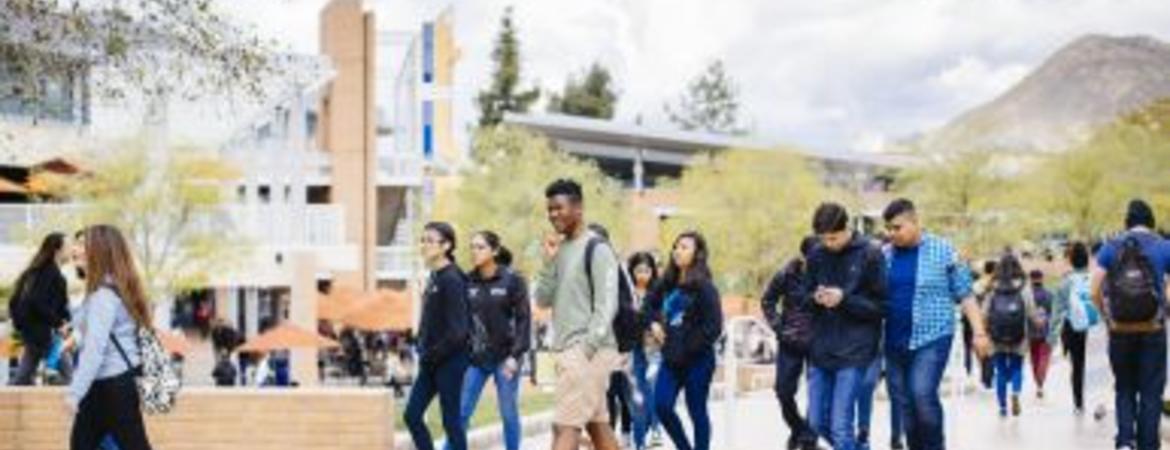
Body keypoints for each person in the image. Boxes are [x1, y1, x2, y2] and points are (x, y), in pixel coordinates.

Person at [880, 199, 991, 449]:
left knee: (921, 393)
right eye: (888, 228)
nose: (891, 234)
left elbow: (965, 293)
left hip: (932, 337)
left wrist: (979, 333)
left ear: (915, 222)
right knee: (905, 404)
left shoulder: (944, 251)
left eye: (897, 227)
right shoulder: (884, 255)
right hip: (894, 340)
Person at [534, 179, 622, 450]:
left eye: (559, 208)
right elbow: (543, 299)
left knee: (564, 427)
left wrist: (586, 349)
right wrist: (548, 263)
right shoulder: (561, 250)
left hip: (587, 350)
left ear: (578, 208)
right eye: (550, 209)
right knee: (598, 426)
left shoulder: (597, 248)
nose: (553, 214)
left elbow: (608, 305)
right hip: (567, 349)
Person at [803, 203, 887, 450]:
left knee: (841, 426)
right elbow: (803, 297)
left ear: (847, 228)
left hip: (855, 350)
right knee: (816, 422)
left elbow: (881, 307)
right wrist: (815, 298)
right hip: (821, 349)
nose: (829, 243)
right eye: (824, 238)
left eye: (834, 237)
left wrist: (844, 299)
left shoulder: (871, 254)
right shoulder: (816, 255)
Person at [65, 225, 153, 450]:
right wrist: (76, 336)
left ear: (100, 251)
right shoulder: (110, 288)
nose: (75, 250)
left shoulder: (104, 295)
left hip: (113, 384)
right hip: (109, 383)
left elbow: (95, 349)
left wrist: (75, 393)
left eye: (82, 245)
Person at [1091, 200, 1170, 450]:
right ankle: (1148, 445)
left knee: (1124, 387)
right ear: (1151, 221)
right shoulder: (1164, 246)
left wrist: (1107, 316)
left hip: (1120, 331)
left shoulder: (1110, 248)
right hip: (1153, 330)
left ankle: (1125, 441)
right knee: (1151, 390)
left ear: (1127, 221)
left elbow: (1093, 288)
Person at [448, 230, 530, 450]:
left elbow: (524, 321)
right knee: (462, 411)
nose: (475, 251)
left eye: (480, 247)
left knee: (508, 412)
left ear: (494, 250)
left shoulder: (513, 281)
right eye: (472, 247)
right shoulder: (466, 282)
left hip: (506, 358)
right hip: (476, 360)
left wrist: (515, 356)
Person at [644, 231, 723, 450]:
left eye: (684, 247)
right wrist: (653, 324)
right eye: (676, 246)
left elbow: (714, 327)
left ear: (697, 254)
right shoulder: (666, 283)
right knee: (662, 405)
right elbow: (648, 307)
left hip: (698, 361)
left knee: (696, 411)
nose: (678, 251)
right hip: (671, 360)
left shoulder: (705, 287)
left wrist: (686, 347)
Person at [403, 222, 471, 450]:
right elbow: (432, 319)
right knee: (412, 415)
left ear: (447, 245)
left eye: (431, 240)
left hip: (450, 360)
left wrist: (432, 354)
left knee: (450, 421)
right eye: (423, 240)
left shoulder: (452, 279)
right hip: (432, 359)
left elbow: (459, 331)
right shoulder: (436, 276)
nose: (424, 245)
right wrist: (420, 341)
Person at [761, 236, 819, 450]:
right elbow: (767, 301)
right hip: (790, 342)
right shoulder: (786, 273)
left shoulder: (827, 276)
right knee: (783, 392)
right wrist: (779, 328)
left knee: (817, 394)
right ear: (804, 256)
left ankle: (808, 440)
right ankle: (799, 430)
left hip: (818, 345)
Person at [9, 232, 73, 385]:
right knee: (69, 375)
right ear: (58, 250)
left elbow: (16, 301)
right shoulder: (48, 272)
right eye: (69, 246)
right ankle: (76, 407)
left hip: (35, 332)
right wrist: (59, 323)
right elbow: (37, 301)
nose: (72, 250)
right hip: (42, 333)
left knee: (23, 376)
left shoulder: (41, 271)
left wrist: (66, 320)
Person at [984, 251, 1040, 417]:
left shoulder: (992, 286)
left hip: (996, 336)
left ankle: (1002, 408)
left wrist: (984, 332)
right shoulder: (1023, 285)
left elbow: (985, 312)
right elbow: (1031, 312)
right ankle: (1015, 392)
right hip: (1019, 335)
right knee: (1017, 367)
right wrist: (1039, 322)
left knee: (1000, 371)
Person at [1051, 241, 1098, 415]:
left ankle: (1079, 403)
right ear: (1087, 259)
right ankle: (1098, 400)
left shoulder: (1065, 282)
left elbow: (1057, 312)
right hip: (1094, 329)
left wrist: (1052, 338)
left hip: (1073, 328)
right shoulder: (1095, 278)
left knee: (1077, 366)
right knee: (1096, 364)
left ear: (1070, 260)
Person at [628, 251, 664, 450]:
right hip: (632, 348)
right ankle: (639, 440)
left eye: (647, 270)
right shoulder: (626, 292)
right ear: (632, 271)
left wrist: (656, 323)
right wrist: (650, 321)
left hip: (654, 348)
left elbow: (662, 315)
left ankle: (656, 429)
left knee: (651, 387)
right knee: (637, 394)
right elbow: (630, 318)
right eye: (638, 270)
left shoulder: (658, 291)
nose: (643, 274)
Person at [1028, 269, 1055, 399]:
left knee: (1034, 358)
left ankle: (1037, 383)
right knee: (1044, 357)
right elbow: (1054, 314)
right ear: (1042, 278)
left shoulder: (1027, 295)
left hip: (1031, 331)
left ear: (1031, 279)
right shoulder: (1049, 294)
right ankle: (1041, 383)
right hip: (1046, 330)